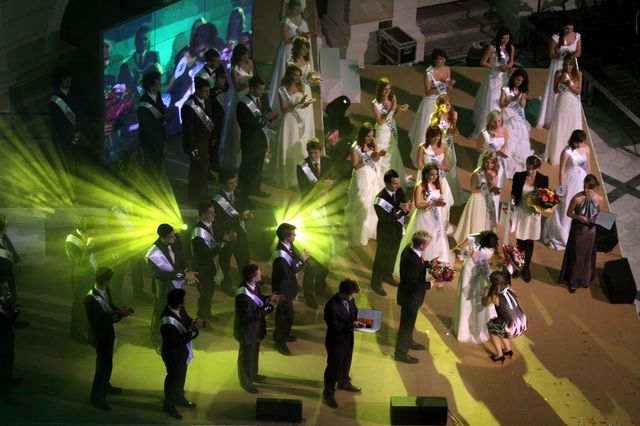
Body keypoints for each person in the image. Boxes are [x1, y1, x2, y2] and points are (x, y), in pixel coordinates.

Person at [85, 267, 134, 411]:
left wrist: (119, 309)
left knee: (107, 363)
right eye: (111, 279)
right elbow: (100, 322)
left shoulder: (104, 290)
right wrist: (120, 315)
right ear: (106, 281)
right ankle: (97, 397)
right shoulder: (90, 299)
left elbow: (109, 305)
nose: (112, 282)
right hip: (100, 337)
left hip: (108, 334)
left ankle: (106, 385)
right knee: (102, 366)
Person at [394, 164, 452, 276]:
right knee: (424, 240)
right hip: (424, 218)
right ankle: (419, 266)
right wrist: (433, 203)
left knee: (436, 238)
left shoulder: (437, 185)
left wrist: (440, 202)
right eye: (432, 175)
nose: (434, 177)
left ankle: (433, 266)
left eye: (436, 174)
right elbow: (418, 205)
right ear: (425, 174)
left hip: (435, 217)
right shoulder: (420, 186)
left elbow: (438, 199)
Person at [146, 224, 197, 346]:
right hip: (163, 286)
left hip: (176, 284)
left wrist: (188, 270)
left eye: (174, 235)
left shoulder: (175, 240)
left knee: (179, 306)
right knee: (160, 310)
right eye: (171, 236)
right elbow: (160, 274)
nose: (174, 238)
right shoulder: (153, 253)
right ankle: (156, 337)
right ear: (163, 237)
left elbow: (182, 257)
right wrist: (183, 275)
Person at [234, 264, 282, 393]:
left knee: (253, 354)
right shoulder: (243, 295)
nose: (261, 274)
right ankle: (245, 382)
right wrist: (270, 307)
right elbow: (251, 316)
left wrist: (269, 298)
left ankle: (253, 374)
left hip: (255, 329)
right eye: (259, 273)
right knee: (246, 357)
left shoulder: (254, 287)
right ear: (253, 278)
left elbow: (259, 300)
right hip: (247, 332)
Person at [269, 64, 315, 189]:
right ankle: (285, 178)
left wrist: (305, 104)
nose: (297, 78)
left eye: (299, 76)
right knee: (287, 145)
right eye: (295, 76)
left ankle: (298, 178)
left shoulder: (300, 86)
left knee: (297, 147)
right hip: (288, 122)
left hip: (298, 121)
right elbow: (284, 110)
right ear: (289, 75)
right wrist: (298, 104)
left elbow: (301, 105)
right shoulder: (282, 90)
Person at [160, 288, 204, 419]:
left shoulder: (179, 308)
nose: (186, 300)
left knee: (181, 375)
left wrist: (193, 322)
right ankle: (169, 403)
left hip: (181, 352)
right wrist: (193, 331)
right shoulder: (167, 321)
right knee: (173, 377)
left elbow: (186, 318)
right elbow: (177, 342)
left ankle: (179, 396)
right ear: (179, 303)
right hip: (173, 354)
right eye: (184, 299)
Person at [543, 129, 591, 250]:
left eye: (581, 142)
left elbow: (588, 166)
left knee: (579, 207)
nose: (579, 145)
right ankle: (561, 235)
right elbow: (562, 170)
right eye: (577, 142)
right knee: (566, 206)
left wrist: (589, 182)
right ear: (573, 141)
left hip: (582, 182)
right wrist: (562, 187)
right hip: (569, 183)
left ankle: (573, 232)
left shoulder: (586, 149)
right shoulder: (567, 151)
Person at [408, 48, 454, 167]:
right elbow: (428, 92)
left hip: (443, 101)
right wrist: (442, 85)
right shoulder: (428, 73)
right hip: (431, 102)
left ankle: (440, 155)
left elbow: (449, 88)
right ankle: (423, 157)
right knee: (427, 128)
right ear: (434, 60)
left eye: (443, 58)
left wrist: (450, 85)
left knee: (443, 126)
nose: (442, 61)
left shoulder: (447, 69)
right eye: (440, 59)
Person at [322, 279, 363, 409]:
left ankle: (343, 382)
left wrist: (363, 320)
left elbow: (354, 312)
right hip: (336, 342)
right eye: (351, 296)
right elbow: (334, 327)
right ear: (344, 293)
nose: (353, 298)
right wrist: (351, 325)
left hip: (347, 338)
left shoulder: (350, 300)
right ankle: (328, 392)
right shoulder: (331, 306)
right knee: (333, 367)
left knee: (346, 362)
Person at [452, 231, 499, 344]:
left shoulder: (490, 245)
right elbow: (457, 248)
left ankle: (477, 327)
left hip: (481, 273)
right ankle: (464, 329)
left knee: (478, 299)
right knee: (466, 299)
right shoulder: (474, 238)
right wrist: (468, 254)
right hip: (469, 272)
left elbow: (491, 259)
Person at [191, 202, 236, 320]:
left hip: (212, 266)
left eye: (214, 212)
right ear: (202, 214)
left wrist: (228, 239)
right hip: (203, 268)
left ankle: (206, 314)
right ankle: (202, 316)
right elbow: (208, 254)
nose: (214, 215)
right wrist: (225, 241)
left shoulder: (213, 224)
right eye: (210, 213)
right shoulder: (198, 233)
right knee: (205, 294)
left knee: (209, 293)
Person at [559, 174, 603, 293]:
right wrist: (579, 217)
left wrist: (600, 221)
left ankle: (584, 279)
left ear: (595, 188)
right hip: (579, 231)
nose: (586, 190)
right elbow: (569, 213)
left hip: (591, 232)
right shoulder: (577, 198)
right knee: (577, 257)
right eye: (584, 187)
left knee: (587, 257)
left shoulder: (599, 199)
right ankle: (572, 282)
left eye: (589, 188)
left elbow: (598, 214)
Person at [370, 169, 412, 296]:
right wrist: (400, 210)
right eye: (394, 183)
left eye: (398, 183)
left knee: (392, 255)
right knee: (381, 258)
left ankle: (387, 275)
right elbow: (386, 220)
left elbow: (404, 209)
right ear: (387, 183)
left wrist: (406, 209)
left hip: (397, 230)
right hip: (386, 233)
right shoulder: (380, 199)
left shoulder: (399, 191)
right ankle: (375, 282)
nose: (397, 186)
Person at [237, 75, 279, 199]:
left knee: (258, 165)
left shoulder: (263, 98)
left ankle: (255, 188)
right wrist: (265, 117)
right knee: (247, 165)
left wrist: (272, 116)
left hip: (261, 138)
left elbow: (267, 111)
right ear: (252, 88)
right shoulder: (243, 104)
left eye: (263, 89)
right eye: (260, 89)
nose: (262, 91)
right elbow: (245, 125)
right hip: (250, 140)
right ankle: (242, 189)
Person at [212, 170, 254, 294]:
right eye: (230, 184)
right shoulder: (216, 201)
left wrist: (248, 215)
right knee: (225, 263)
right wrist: (230, 229)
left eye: (235, 182)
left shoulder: (238, 194)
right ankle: (227, 285)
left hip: (240, 232)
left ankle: (246, 283)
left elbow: (243, 210)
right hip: (227, 235)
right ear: (222, 184)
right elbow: (217, 222)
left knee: (244, 260)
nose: (234, 186)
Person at [469, 27, 515, 140]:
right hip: (492, 78)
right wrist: (496, 67)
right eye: (503, 38)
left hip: (503, 78)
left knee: (502, 100)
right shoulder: (492, 47)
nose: (505, 40)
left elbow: (511, 62)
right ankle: (486, 127)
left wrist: (506, 67)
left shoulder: (511, 47)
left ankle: (498, 126)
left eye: (507, 38)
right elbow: (483, 62)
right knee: (491, 101)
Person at [344, 123, 384, 247]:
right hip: (361, 178)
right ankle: (358, 234)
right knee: (361, 205)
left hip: (372, 175)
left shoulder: (373, 143)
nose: (370, 138)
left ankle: (370, 231)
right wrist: (369, 159)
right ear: (362, 135)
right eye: (368, 136)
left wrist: (378, 154)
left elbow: (375, 159)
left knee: (372, 204)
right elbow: (356, 166)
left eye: (372, 136)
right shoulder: (355, 147)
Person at [394, 231, 431, 364]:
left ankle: (408, 341)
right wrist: (432, 284)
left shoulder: (410, 248)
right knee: (405, 326)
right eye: (427, 243)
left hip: (410, 297)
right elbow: (414, 285)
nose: (428, 245)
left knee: (409, 323)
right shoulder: (412, 261)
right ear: (421, 245)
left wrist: (429, 264)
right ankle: (401, 353)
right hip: (410, 298)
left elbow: (418, 265)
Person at [537, 20, 582, 129]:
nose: (569, 31)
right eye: (567, 28)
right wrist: (562, 55)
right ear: (563, 27)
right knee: (557, 89)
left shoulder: (577, 36)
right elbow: (551, 54)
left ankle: (569, 120)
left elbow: (578, 52)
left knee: (571, 88)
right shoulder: (555, 38)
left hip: (571, 65)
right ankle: (552, 119)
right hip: (558, 64)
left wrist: (570, 56)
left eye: (571, 29)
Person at [272, 223, 308, 355]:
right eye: (293, 234)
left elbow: (294, 259)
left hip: (288, 286)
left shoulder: (289, 245)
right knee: (287, 316)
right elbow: (286, 273)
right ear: (286, 237)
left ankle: (282, 334)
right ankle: (280, 341)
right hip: (283, 290)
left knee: (283, 315)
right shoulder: (280, 254)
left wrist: (300, 258)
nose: (295, 236)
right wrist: (301, 260)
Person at [511, 155, 549, 282]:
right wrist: (512, 200)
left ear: (538, 168)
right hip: (521, 213)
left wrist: (540, 207)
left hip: (533, 215)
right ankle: (518, 266)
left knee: (529, 242)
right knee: (520, 241)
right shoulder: (518, 176)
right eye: (528, 168)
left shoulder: (543, 179)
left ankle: (526, 268)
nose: (530, 171)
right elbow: (513, 192)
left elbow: (545, 198)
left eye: (533, 169)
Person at [268, 0, 310, 111]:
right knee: (287, 76)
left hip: (300, 53)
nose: (298, 11)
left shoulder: (303, 22)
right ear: (289, 9)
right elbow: (286, 40)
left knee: (300, 76)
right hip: (289, 52)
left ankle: (298, 99)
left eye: (299, 9)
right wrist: (300, 36)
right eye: (295, 9)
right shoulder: (285, 22)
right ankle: (284, 104)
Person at [453, 151, 501, 247]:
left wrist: (494, 190)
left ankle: (484, 245)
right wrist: (487, 188)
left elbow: (492, 187)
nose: (489, 165)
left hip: (488, 201)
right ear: (483, 161)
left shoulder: (495, 173)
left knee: (487, 224)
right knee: (476, 224)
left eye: (491, 163)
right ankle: (471, 246)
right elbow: (473, 189)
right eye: (487, 162)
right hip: (477, 201)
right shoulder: (477, 173)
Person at [544, 53, 583, 165]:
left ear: (573, 65)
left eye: (570, 65)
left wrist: (570, 85)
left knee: (572, 127)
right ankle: (556, 154)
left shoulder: (578, 74)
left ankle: (572, 155)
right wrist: (563, 84)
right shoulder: (559, 73)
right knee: (559, 127)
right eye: (565, 64)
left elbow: (579, 91)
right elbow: (555, 90)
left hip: (573, 104)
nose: (567, 67)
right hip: (562, 102)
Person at [220, 43, 253, 170]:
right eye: (242, 55)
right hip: (239, 98)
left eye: (246, 54)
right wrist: (248, 82)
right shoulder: (234, 70)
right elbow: (238, 87)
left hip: (250, 96)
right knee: (237, 129)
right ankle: (236, 162)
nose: (245, 57)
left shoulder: (250, 63)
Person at [482, 271, 527, 363]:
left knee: (491, 327)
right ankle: (508, 350)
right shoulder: (510, 289)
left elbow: (484, 304)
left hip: (512, 328)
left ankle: (499, 355)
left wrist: (485, 292)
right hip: (522, 323)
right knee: (501, 326)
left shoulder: (494, 297)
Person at [182, 75, 214, 203]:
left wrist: (212, 137)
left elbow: (210, 120)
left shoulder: (207, 100)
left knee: (204, 169)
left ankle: (202, 193)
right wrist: (193, 149)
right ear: (197, 90)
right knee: (197, 170)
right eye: (205, 91)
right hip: (195, 144)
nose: (208, 94)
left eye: (208, 91)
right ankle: (195, 196)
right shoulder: (189, 106)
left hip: (205, 142)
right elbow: (188, 130)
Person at [66, 217, 98, 343]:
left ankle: (85, 326)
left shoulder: (86, 236)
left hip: (90, 275)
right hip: (79, 278)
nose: (94, 233)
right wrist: (88, 246)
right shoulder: (71, 241)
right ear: (83, 230)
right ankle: (76, 332)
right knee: (79, 305)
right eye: (91, 231)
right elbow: (79, 262)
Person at [429, 94, 465, 205]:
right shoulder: (435, 116)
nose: (447, 107)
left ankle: (450, 195)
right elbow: (431, 133)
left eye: (448, 105)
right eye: (444, 105)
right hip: (438, 145)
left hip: (449, 146)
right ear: (439, 106)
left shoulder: (454, 115)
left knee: (450, 167)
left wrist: (454, 131)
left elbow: (453, 131)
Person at [372, 77, 409, 184]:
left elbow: (393, 118)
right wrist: (392, 108)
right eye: (385, 89)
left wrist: (400, 110)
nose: (387, 92)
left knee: (392, 152)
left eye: (389, 89)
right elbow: (380, 121)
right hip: (382, 131)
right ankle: (381, 181)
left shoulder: (392, 98)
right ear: (380, 90)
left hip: (392, 129)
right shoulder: (375, 104)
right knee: (383, 154)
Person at [416, 124, 454, 228]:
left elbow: (446, 162)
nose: (436, 139)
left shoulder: (444, 146)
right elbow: (419, 165)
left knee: (441, 202)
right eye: (434, 136)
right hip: (427, 179)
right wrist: (431, 172)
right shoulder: (422, 148)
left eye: (438, 136)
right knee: (428, 202)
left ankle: (439, 225)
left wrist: (446, 167)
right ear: (428, 136)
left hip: (440, 180)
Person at [137, 70, 172, 177]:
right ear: (151, 87)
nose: (161, 84)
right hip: (150, 141)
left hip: (159, 137)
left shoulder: (157, 95)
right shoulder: (143, 104)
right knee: (151, 167)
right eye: (158, 83)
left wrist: (167, 114)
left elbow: (160, 111)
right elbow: (148, 127)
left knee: (157, 165)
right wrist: (164, 119)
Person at [499, 68, 533, 176]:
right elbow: (501, 104)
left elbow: (523, 105)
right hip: (507, 115)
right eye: (517, 80)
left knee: (521, 138)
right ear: (513, 78)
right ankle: (506, 167)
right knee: (508, 139)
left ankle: (519, 168)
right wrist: (512, 99)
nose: (519, 82)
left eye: (521, 81)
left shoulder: (523, 91)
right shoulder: (505, 89)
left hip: (518, 117)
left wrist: (522, 99)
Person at [49, 67, 82, 173]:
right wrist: (72, 135)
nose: (68, 80)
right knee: (69, 164)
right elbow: (58, 122)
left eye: (69, 77)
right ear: (59, 81)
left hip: (78, 135)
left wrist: (78, 131)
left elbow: (80, 113)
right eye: (65, 79)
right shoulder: (54, 100)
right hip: (65, 138)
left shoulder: (75, 94)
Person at [202, 49, 228, 176]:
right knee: (208, 140)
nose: (218, 64)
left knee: (217, 138)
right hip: (208, 111)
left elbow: (226, 86)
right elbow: (204, 95)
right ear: (209, 61)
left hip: (219, 110)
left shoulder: (220, 69)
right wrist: (217, 87)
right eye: (216, 61)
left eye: (219, 61)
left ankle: (214, 163)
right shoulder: (201, 75)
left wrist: (222, 85)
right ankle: (205, 168)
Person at [476, 110, 510, 194]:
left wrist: (500, 152)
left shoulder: (505, 131)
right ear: (490, 121)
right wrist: (487, 154)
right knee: (483, 183)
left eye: (499, 121)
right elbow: (478, 147)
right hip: (486, 162)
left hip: (498, 162)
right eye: (494, 121)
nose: (497, 124)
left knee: (496, 184)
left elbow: (505, 145)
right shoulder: (485, 133)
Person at [117, 25, 161, 90]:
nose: (142, 42)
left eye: (145, 39)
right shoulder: (127, 64)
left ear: (148, 41)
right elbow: (121, 86)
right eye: (140, 39)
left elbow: (158, 78)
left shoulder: (154, 56)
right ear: (135, 41)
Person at [0, 277, 22, 407]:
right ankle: (4, 394)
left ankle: (9, 379)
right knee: (2, 366)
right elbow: (5, 321)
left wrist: (14, 311)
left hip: (7, 337)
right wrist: (15, 312)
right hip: (2, 340)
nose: (7, 290)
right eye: (4, 288)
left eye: (7, 287)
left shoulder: (4, 298)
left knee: (9, 360)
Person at [0, 216, 21, 307]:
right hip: (2, 274)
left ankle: (13, 304)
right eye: (6, 225)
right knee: (4, 292)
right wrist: (2, 279)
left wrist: (17, 260)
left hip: (8, 271)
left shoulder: (4, 236)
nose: (7, 227)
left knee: (11, 288)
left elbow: (10, 245)